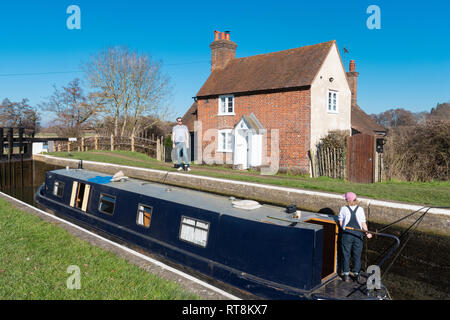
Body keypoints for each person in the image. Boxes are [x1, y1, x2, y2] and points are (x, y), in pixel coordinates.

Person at [338, 192, 372, 282]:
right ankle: (356, 275)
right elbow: (363, 223)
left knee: (346, 255)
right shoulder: (360, 209)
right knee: (357, 255)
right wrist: (367, 233)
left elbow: (341, 223)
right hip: (358, 235)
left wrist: (344, 228)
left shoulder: (343, 209)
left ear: (347, 200)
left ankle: (346, 275)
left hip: (347, 235)